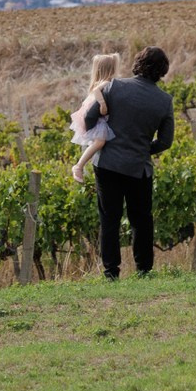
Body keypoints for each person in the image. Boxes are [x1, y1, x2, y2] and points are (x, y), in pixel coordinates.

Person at [81, 46, 174, 278]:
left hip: (107, 165)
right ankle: (144, 269)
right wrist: (143, 149)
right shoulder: (164, 101)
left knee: (109, 218)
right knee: (141, 219)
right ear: (162, 71)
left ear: (138, 64)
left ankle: (111, 271)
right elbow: (165, 142)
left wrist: (104, 138)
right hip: (139, 168)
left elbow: (89, 119)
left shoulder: (114, 87)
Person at [68, 52, 123, 181]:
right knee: (100, 142)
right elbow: (96, 91)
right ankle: (79, 166)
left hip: (96, 117)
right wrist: (103, 105)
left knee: (97, 143)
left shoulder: (101, 81)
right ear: (111, 69)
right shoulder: (105, 82)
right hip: (98, 119)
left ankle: (85, 164)